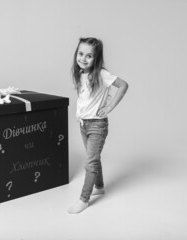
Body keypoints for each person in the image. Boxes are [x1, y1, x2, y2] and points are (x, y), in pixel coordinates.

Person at [68, 37, 129, 214]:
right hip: (83, 124)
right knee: (93, 158)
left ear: (97, 58)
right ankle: (100, 187)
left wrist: (109, 107)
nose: (83, 59)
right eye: (81, 54)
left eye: (89, 56)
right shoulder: (81, 73)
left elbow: (123, 85)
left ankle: (83, 199)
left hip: (97, 125)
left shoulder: (101, 74)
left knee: (91, 162)